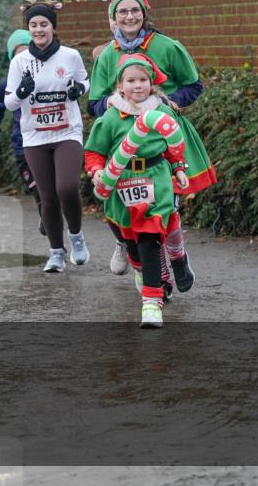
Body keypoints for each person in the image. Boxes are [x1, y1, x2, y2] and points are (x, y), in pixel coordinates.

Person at [87, 0, 215, 279]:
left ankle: (176, 257)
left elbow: (193, 86)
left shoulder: (168, 46)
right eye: (122, 11)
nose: (130, 16)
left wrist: (166, 103)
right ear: (113, 17)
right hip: (123, 141)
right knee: (130, 210)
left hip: (165, 138)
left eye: (135, 10)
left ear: (144, 13)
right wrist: (113, 104)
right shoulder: (107, 56)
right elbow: (93, 104)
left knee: (165, 208)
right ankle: (147, 265)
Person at [84, 54, 196, 327]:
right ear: (120, 86)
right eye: (131, 80)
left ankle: (152, 303)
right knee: (132, 242)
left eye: (143, 80)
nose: (137, 85)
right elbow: (94, 152)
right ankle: (141, 269)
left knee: (150, 238)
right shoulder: (110, 118)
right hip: (121, 182)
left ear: (151, 83)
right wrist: (97, 171)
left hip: (155, 178)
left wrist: (179, 169)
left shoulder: (163, 113)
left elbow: (174, 148)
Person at [4, 0, 90, 273]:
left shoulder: (70, 56)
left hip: (67, 132)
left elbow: (85, 82)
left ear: (53, 26)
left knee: (66, 187)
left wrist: (79, 89)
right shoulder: (19, 62)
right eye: (33, 25)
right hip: (35, 136)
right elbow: (9, 103)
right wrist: (21, 92)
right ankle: (56, 253)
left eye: (44, 24)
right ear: (28, 29)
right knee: (47, 196)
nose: (39, 29)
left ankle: (76, 237)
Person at [0, 29, 45, 234]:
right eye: (19, 54)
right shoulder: (7, 84)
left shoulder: (48, 77)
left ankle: (50, 217)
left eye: (29, 51)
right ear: (12, 59)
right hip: (23, 145)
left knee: (51, 187)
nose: (25, 57)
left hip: (48, 140)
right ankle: (47, 217)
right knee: (38, 187)